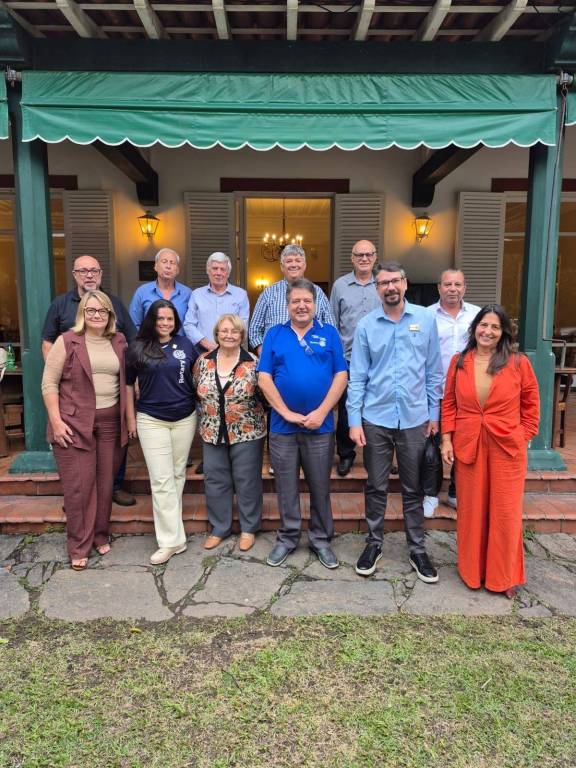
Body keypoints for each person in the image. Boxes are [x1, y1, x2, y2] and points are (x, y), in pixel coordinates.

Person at [348, 261, 443, 583]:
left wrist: (434, 414)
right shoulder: (366, 325)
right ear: (377, 288)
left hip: (415, 419)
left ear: (405, 283)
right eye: (383, 283)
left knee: (413, 488)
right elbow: (358, 377)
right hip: (375, 418)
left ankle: (417, 548)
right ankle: (374, 543)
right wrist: (354, 421)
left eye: (395, 281)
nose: (390, 287)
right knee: (375, 485)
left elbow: (433, 371)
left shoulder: (425, 320)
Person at [440, 304, 540, 599]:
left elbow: (532, 405)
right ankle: (473, 572)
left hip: (507, 448)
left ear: (503, 332)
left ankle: (503, 576)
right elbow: (449, 403)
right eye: (484, 325)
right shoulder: (460, 361)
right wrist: (447, 440)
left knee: (505, 514)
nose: (488, 331)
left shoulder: (518, 363)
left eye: (495, 327)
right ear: (475, 328)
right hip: (469, 444)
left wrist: (522, 436)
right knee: (472, 512)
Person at [258, 278, 348, 569]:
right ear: (287, 305)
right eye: (295, 301)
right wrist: (285, 412)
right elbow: (264, 378)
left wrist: (322, 411)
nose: (301, 306)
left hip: (320, 426)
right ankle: (287, 537)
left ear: (315, 304)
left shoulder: (329, 333)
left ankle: (321, 539)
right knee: (285, 486)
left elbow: (341, 376)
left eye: (306, 301)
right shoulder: (275, 334)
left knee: (320, 486)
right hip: (282, 427)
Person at [41, 290, 127, 570]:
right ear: (82, 314)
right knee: (79, 487)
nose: (97, 315)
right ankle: (79, 545)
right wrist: (56, 421)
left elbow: (128, 380)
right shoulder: (67, 341)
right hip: (73, 423)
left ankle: (100, 534)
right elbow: (49, 383)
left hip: (111, 424)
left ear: (110, 315)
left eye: (102, 311)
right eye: (91, 310)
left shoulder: (119, 340)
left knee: (105, 484)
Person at [42, 254, 137, 507]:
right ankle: (79, 499)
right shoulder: (60, 305)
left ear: (101, 274)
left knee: (109, 460)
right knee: (78, 465)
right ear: (74, 275)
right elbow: (47, 344)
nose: (89, 275)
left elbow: (131, 342)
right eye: (83, 271)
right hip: (74, 402)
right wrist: (64, 372)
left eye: (94, 270)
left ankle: (113, 488)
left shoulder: (114, 306)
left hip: (110, 407)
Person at [126, 300, 199, 565]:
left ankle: (173, 533)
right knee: (161, 479)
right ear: (151, 320)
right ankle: (170, 541)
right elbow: (127, 385)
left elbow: (196, 376)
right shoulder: (137, 347)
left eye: (170, 319)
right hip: (151, 419)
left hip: (185, 418)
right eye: (160, 319)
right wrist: (130, 418)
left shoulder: (186, 344)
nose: (165, 323)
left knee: (177, 474)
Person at [193, 314, 265, 552]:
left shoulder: (253, 363)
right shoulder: (204, 361)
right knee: (215, 480)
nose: (229, 335)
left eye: (234, 331)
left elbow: (264, 396)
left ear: (242, 335)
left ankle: (248, 529)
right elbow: (196, 390)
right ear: (216, 334)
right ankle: (219, 528)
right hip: (212, 430)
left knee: (247, 480)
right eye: (224, 331)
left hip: (247, 431)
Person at [426, 269, 480, 514]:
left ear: (464, 287)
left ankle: (456, 491)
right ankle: (430, 493)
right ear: (439, 288)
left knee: (464, 443)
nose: (452, 289)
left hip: (467, 393)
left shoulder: (477, 315)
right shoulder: (426, 316)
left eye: (457, 284)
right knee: (432, 445)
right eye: (447, 284)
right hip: (435, 391)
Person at [330, 239, 380, 476]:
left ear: (375, 257)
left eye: (368, 254)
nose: (364, 258)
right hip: (348, 358)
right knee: (347, 409)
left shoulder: (383, 283)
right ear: (352, 258)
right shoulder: (340, 286)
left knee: (377, 408)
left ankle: (377, 455)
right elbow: (332, 323)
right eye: (359, 255)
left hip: (378, 360)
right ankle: (346, 454)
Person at [249, 244, 335, 355]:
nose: (294, 264)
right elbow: (254, 329)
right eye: (289, 261)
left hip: (311, 358)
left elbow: (330, 328)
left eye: (298, 261)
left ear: (304, 265)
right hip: (275, 359)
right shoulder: (269, 293)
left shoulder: (317, 292)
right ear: (282, 266)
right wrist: (265, 354)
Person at [183, 252, 250, 353]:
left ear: (228, 273)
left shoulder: (241, 295)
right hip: (202, 352)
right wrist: (208, 344)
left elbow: (243, 327)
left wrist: (226, 346)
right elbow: (189, 324)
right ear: (208, 271)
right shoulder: (196, 294)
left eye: (223, 269)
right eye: (215, 268)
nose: (218, 273)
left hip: (231, 352)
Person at [129, 248, 191, 335]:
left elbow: (191, 325)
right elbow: (133, 325)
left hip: (179, 343)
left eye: (172, 263)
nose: (168, 266)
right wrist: (143, 342)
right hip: (149, 343)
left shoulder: (188, 294)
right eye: (164, 261)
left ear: (177, 270)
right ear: (156, 266)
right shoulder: (142, 292)